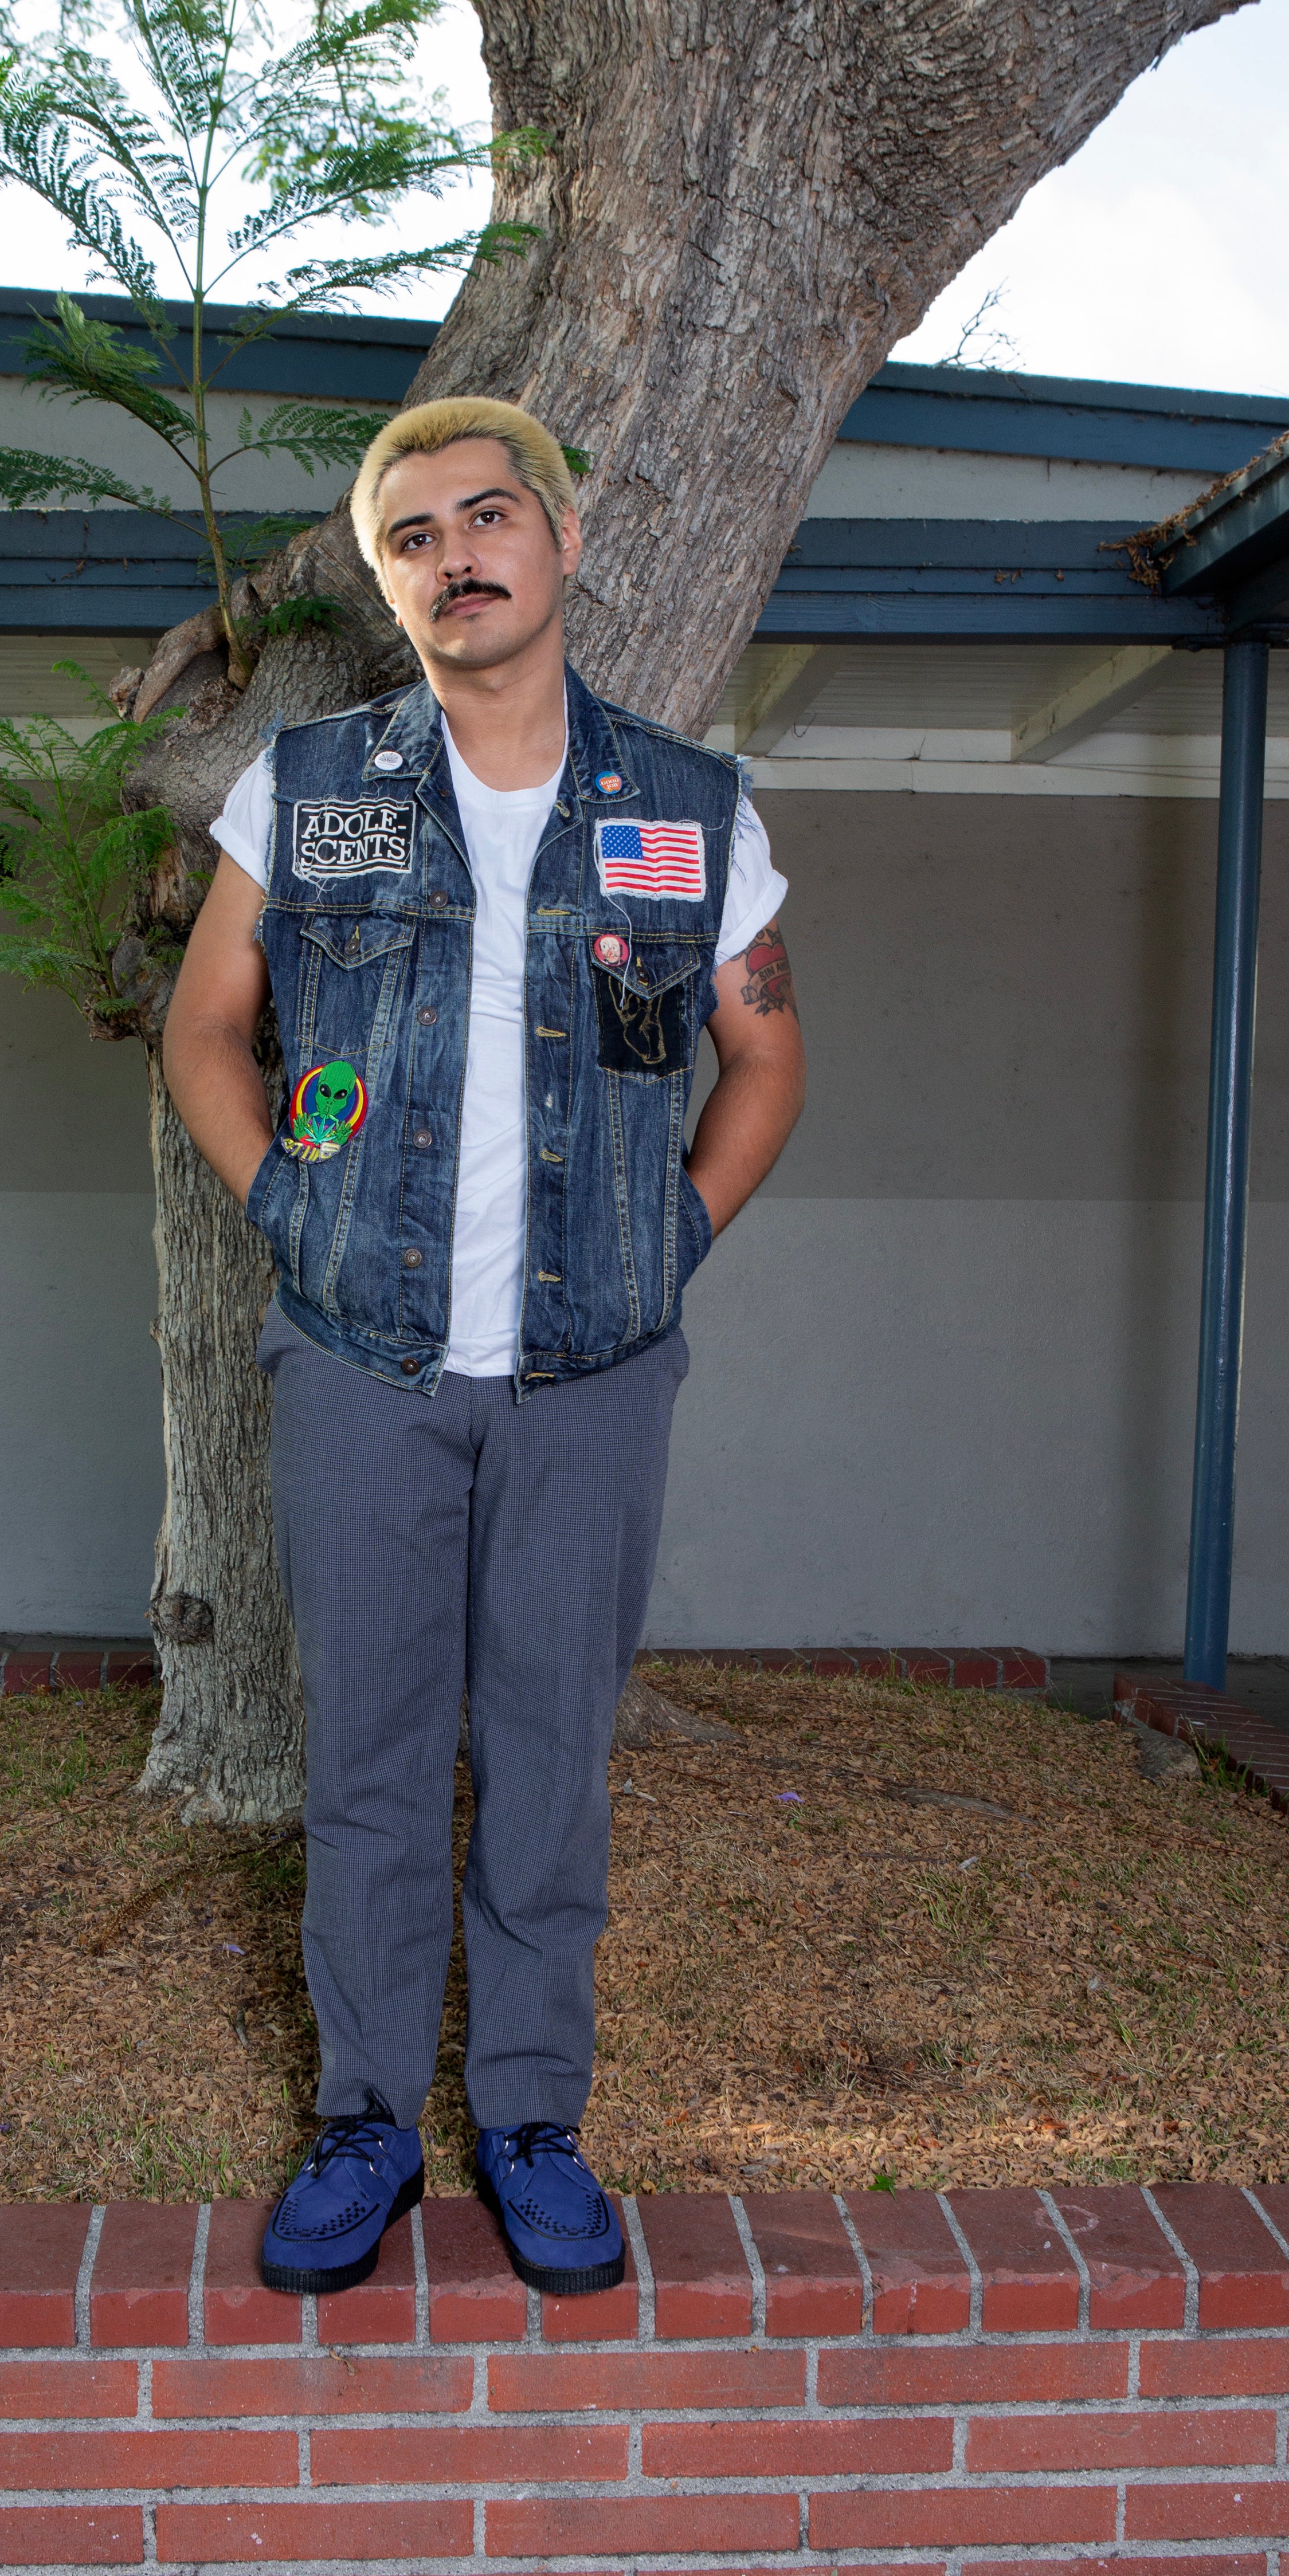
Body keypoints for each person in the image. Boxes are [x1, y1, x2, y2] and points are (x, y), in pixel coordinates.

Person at [161, 396, 806, 2298]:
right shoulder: (311, 787)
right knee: (367, 1754)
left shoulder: (686, 806)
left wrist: (669, 1238)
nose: (457, 556)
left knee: (547, 1756)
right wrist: (287, 1210)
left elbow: (764, 1056)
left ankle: (530, 2115)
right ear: (389, 584)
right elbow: (206, 1026)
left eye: (486, 515)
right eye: (412, 536)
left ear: (561, 538)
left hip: (590, 1374)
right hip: (359, 1362)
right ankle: (365, 2115)